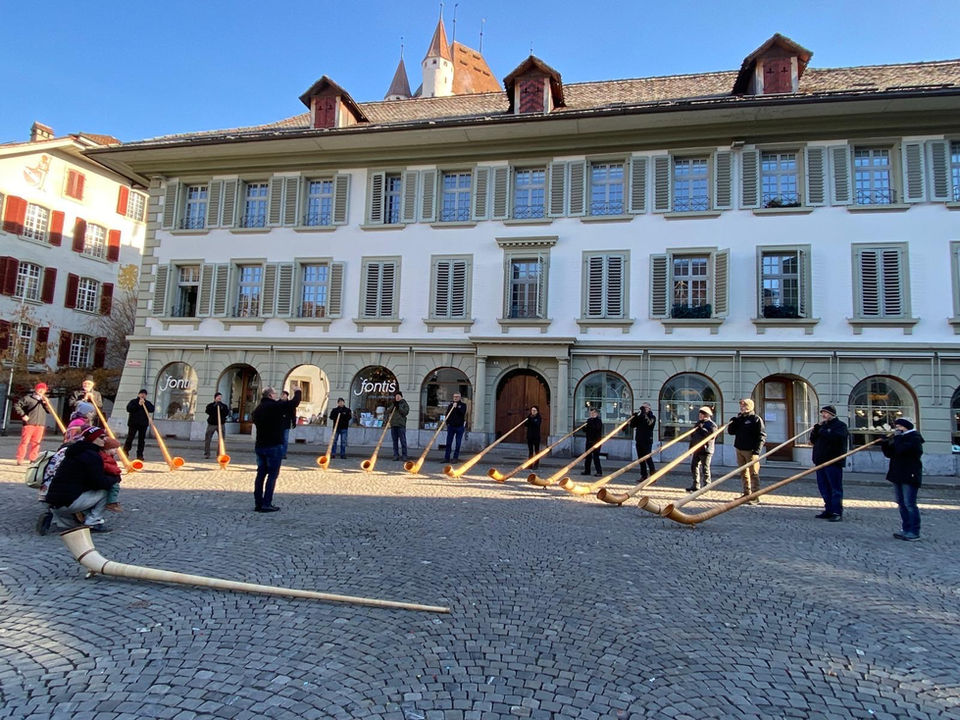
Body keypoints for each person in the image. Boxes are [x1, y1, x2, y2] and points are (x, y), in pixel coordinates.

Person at [37, 426, 119, 535]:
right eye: (101, 437)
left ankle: (54, 517)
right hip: (69, 501)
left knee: (72, 526)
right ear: (93, 439)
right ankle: (93, 522)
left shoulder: (73, 452)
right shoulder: (92, 456)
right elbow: (98, 483)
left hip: (53, 500)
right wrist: (115, 478)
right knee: (106, 490)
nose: (104, 439)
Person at [251, 386, 301, 512]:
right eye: (274, 393)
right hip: (273, 446)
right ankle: (267, 503)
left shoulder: (257, 409)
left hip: (260, 445)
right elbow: (294, 403)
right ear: (270, 395)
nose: (276, 395)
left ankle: (258, 503)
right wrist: (298, 391)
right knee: (272, 476)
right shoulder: (274, 407)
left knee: (260, 475)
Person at [881, 418, 924, 541]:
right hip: (898, 474)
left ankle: (914, 531)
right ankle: (906, 529)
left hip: (909, 474)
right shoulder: (900, 438)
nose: (897, 429)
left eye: (899, 426)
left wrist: (896, 439)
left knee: (909, 504)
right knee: (901, 503)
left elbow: (902, 450)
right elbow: (890, 454)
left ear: (906, 427)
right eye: (896, 426)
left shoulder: (914, 438)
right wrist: (885, 443)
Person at [810, 405, 850, 521]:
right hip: (820, 461)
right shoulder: (822, 426)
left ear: (832, 414)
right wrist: (816, 430)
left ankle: (837, 512)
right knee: (824, 487)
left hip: (833, 461)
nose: (823, 415)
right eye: (822, 413)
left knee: (835, 488)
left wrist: (824, 431)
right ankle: (828, 509)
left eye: (826, 413)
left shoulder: (840, 426)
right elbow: (813, 440)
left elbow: (837, 438)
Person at [727, 398, 766, 504]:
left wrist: (757, 451)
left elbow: (762, 436)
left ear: (749, 407)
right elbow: (731, 432)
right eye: (741, 406)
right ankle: (746, 493)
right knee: (743, 473)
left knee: (753, 473)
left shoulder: (756, 419)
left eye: (744, 406)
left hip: (751, 450)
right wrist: (733, 423)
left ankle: (755, 496)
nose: (742, 407)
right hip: (739, 448)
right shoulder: (740, 419)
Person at [15, 382, 49, 465]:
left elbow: (49, 411)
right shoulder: (28, 398)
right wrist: (23, 415)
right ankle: (20, 459)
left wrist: (46, 404)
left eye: (43, 389)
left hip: (40, 425)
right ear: (36, 389)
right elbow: (17, 406)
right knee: (25, 442)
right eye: (40, 388)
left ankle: (33, 459)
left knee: (36, 443)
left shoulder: (45, 400)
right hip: (29, 424)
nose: (41, 390)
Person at [687, 407, 717, 491]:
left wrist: (702, 429)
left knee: (705, 468)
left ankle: (707, 484)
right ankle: (696, 484)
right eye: (699, 414)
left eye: (702, 414)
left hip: (706, 450)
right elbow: (694, 437)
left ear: (706, 415)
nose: (700, 416)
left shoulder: (712, 425)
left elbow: (712, 436)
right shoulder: (698, 423)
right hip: (697, 449)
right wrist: (691, 448)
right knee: (694, 466)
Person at [123, 389, 154, 461]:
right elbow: (129, 409)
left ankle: (140, 455)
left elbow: (152, 409)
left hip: (143, 424)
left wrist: (145, 404)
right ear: (138, 394)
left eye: (144, 394)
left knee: (141, 440)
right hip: (133, 423)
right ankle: (125, 452)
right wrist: (138, 405)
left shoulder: (147, 403)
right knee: (130, 438)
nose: (143, 395)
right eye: (141, 393)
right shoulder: (133, 401)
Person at [630, 402, 657, 481]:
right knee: (641, 459)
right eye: (643, 407)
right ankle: (643, 475)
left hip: (647, 440)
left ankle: (653, 476)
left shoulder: (652, 417)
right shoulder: (640, 416)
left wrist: (644, 414)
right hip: (639, 440)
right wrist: (634, 417)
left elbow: (649, 423)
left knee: (648, 458)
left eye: (645, 408)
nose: (644, 409)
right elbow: (632, 425)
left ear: (649, 409)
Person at [443, 393, 468, 463]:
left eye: (457, 397)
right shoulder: (450, 405)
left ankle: (455, 458)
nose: (455, 398)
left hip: (459, 427)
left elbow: (462, 413)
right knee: (448, 443)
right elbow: (447, 414)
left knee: (458, 443)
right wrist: (447, 423)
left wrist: (456, 407)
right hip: (451, 426)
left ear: (460, 398)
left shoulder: (463, 405)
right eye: (454, 396)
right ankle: (446, 458)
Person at [204, 392, 230, 459]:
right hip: (212, 424)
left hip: (221, 424)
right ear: (215, 397)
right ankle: (207, 453)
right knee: (208, 439)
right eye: (218, 397)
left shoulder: (223, 406)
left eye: (220, 397)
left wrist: (221, 407)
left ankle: (219, 454)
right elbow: (207, 411)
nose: (219, 398)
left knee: (221, 439)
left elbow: (226, 413)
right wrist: (215, 406)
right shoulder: (211, 405)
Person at [581, 408, 603, 477]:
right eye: (590, 413)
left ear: (596, 413)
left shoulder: (598, 421)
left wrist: (590, 423)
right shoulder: (589, 420)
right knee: (588, 457)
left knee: (596, 457)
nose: (591, 414)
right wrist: (584, 427)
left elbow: (596, 428)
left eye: (593, 413)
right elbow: (586, 430)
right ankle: (587, 471)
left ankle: (599, 472)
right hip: (589, 441)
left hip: (596, 442)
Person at [388, 391, 409, 461]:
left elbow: (405, 412)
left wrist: (399, 407)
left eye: (398, 396)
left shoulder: (404, 404)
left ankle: (404, 455)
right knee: (395, 441)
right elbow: (388, 411)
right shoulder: (393, 403)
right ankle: (396, 455)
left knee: (403, 441)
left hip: (401, 425)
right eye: (396, 396)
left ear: (401, 397)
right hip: (393, 425)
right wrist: (393, 405)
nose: (397, 397)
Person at [280, 390, 295, 459]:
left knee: (285, 440)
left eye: (285, 395)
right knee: (279, 440)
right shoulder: (278, 403)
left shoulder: (289, 404)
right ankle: (279, 453)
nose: (283, 397)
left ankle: (283, 454)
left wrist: (293, 422)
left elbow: (292, 414)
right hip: (279, 424)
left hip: (286, 424)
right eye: (282, 395)